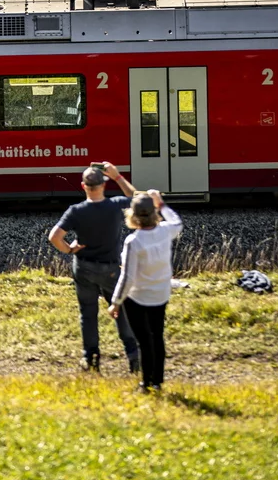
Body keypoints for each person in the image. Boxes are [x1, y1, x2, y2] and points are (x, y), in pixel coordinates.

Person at [49, 163, 141, 375]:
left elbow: (54, 237)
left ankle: (91, 359)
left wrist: (69, 249)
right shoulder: (116, 205)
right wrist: (118, 177)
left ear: (83, 186)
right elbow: (138, 200)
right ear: (103, 184)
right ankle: (133, 356)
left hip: (83, 268)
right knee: (121, 311)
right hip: (110, 269)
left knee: (88, 314)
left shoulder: (76, 211)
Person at [108, 190, 183, 392]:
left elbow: (128, 277)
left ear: (133, 215)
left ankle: (146, 383)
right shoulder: (166, 231)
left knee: (143, 340)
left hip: (138, 298)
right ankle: (157, 381)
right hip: (161, 294)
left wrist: (116, 301)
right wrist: (162, 204)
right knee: (157, 336)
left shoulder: (133, 241)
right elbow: (177, 222)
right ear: (153, 213)